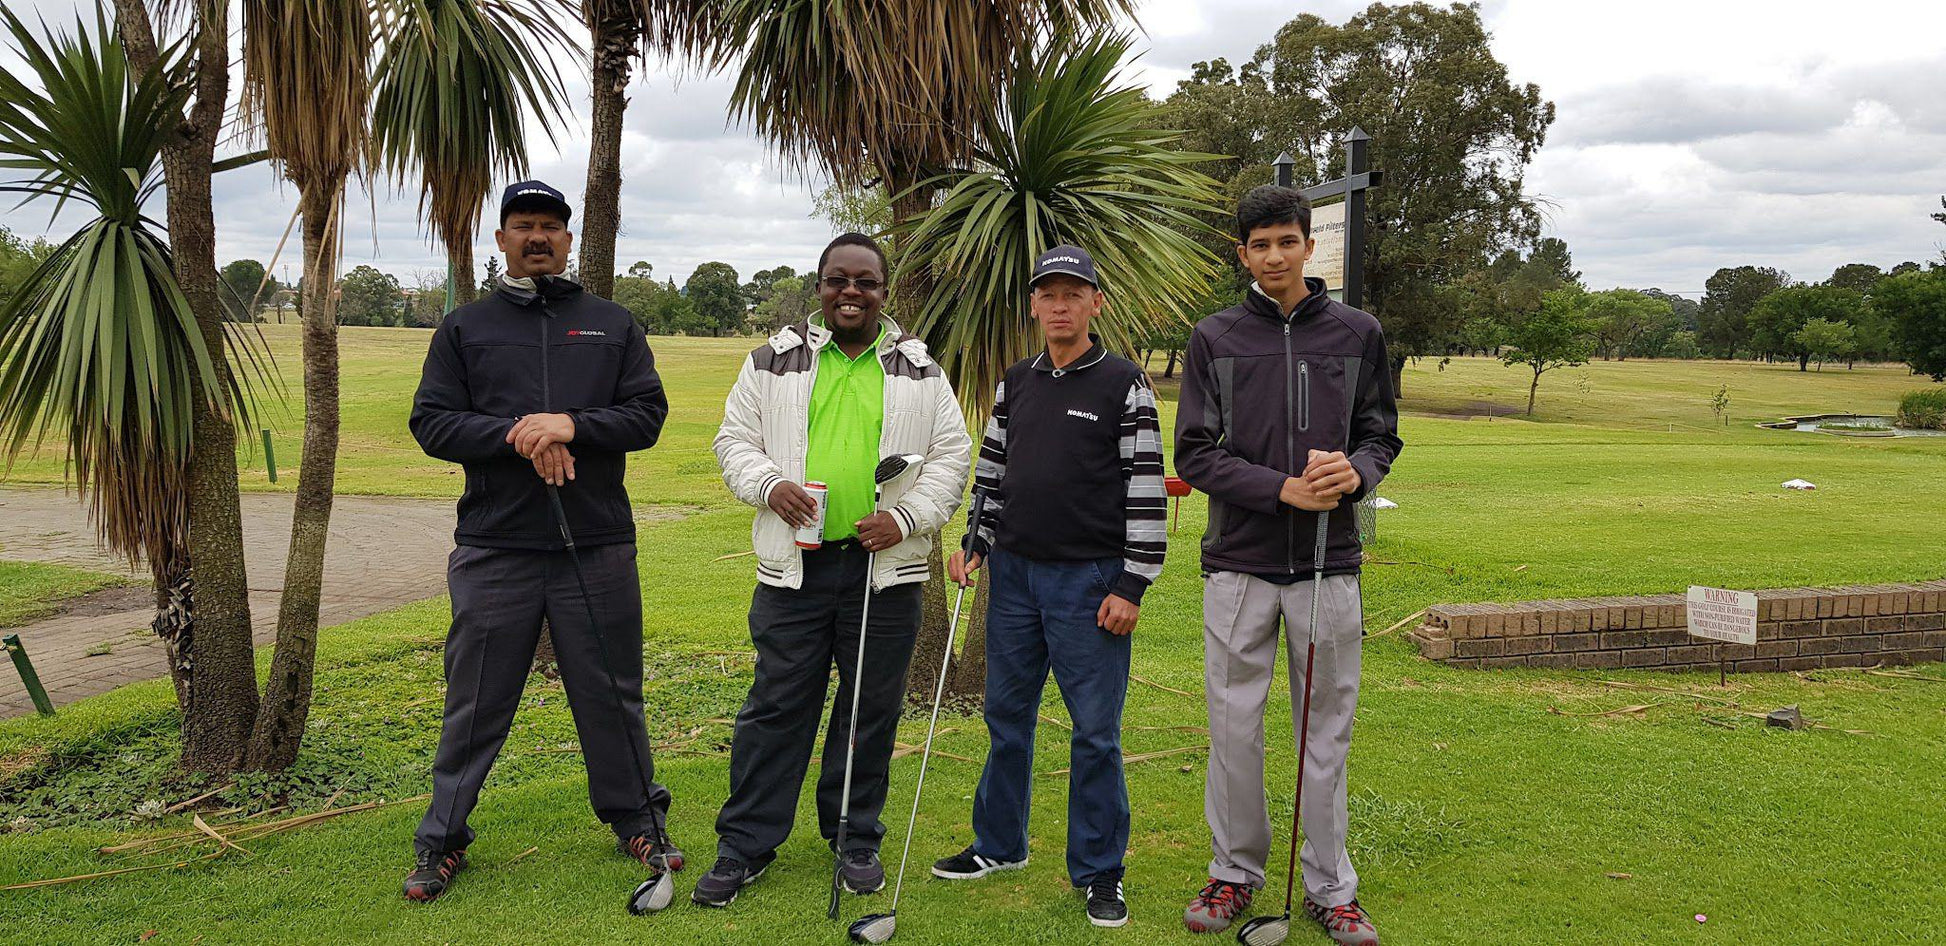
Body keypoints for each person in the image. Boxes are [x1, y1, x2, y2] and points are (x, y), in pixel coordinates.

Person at [403, 180, 677, 902]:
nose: (538, 237)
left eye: (550, 227)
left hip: (597, 545)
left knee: (613, 695)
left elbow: (646, 415)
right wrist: (521, 434)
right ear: (501, 240)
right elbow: (432, 423)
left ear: (567, 238)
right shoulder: (466, 326)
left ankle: (639, 820)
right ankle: (441, 842)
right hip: (498, 548)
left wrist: (573, 425)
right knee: (476, 701)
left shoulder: (611, 324)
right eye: (523, 226)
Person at [699, 232, 971, 908]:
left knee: (868, 710)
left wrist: (907, 520)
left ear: (885, 290)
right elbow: (733, 440)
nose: (851, 292)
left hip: (882, 571)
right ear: (819, 286)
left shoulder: (921, 371)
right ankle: (746, 844)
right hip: (795, 567)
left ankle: (854, 836)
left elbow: (951, 458)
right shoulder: (771, 361)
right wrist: (768, 484)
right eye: (838, 280)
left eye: (866, 282)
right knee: (776, 706)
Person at [1174, 186, 1403, 945]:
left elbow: (1381, 435)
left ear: (1309, 246)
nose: (1274, 256)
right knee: (1234, 727)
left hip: (1329, 566)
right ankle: (1234, 874)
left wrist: (1356, 475)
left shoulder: (1358, 333)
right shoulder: (1213, 336)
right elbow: (1196, 454)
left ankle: (1331, 886)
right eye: (1259, 244)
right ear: (1241, 254)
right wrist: (1281, 490)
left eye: (1286, 241)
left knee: (1325, 731)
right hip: (1239, 564)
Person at [928, 245, 1166, 928]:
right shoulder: (1016, 380)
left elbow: (1146, 490)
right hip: (1014, 577)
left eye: (1073, 294)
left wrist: (1132, 583)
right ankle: (999, 845)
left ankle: (1098, 870)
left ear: (1096, 303)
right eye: (1048, 295)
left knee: (1094, 733)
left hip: (1089, 583)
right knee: (1006, 719)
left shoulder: (1124, 383)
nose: (1059, 306)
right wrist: (974, 541)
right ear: (1033, 305)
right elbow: (994, 470)